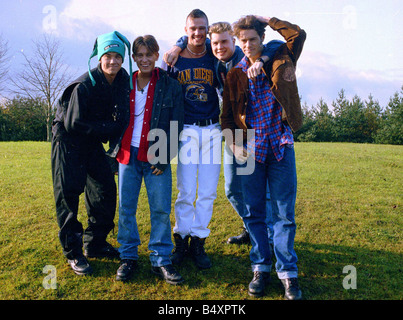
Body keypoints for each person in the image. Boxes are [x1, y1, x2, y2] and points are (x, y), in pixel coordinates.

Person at [164, 21, 284, 246]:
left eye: (224, 42)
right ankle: (251, 227)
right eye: (215, 43)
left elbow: (276, 43)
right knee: (231, 189)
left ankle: (265, 234)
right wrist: (177, 45)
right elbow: (193, 38)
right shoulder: (215, 59)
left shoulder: (244, 56)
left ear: (234, 40)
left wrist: (261, 60)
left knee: (254, 187)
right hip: (231, 131)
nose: (219, 47)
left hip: (252, 132)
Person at [221, 16, 306, 300]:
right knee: (254, 212)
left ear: (261, 37)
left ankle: (288, 274)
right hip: (251, 152)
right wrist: (233, 145)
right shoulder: (234, 74)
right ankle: (260, 267)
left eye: (252, 39)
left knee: (284, 214)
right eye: (242, 41)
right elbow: (227, 118)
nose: (247, 45)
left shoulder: (280, 56)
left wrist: (266, 19)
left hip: (281, 147)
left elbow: (297, 35)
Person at [51, 31, 133, 275]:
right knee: (69, 193)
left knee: (105, 188)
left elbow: (124, 113)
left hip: (92, 142)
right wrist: (109, 128)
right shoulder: (84, 86)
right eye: (108, 56)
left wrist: (115, 136)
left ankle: (95, 243)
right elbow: (74, 123)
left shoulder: (121, 80)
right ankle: (73, 252)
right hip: (68, 142)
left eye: (118, 56)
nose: (113, 62)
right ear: (99, 58)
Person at [115, 35, 184, 285]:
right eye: (139, 55)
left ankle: (161, 258)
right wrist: (115, 154)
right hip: (127, 157)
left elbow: (177, 127)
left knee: (160, 210)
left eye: (149, 54)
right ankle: (128, 256)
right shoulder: (124, 84)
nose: (144, 59)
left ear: (157, 55)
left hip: (156, 157)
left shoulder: (170, 85)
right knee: (126, 208)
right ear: (134, 58)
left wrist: (164, 158)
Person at [162, 9, 221, 269]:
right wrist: (176, 45)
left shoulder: (214, 51)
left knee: (207, 192)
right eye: (193, 28)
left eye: (202, 28)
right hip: (186, 129)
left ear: (207, 30)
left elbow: (230, 46)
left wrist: (179, 42)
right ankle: (181, 240)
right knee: (185, 190)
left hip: (213, 129)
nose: (198, 33)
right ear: (185, 30)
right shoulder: (173, 59)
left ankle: (199, 240)